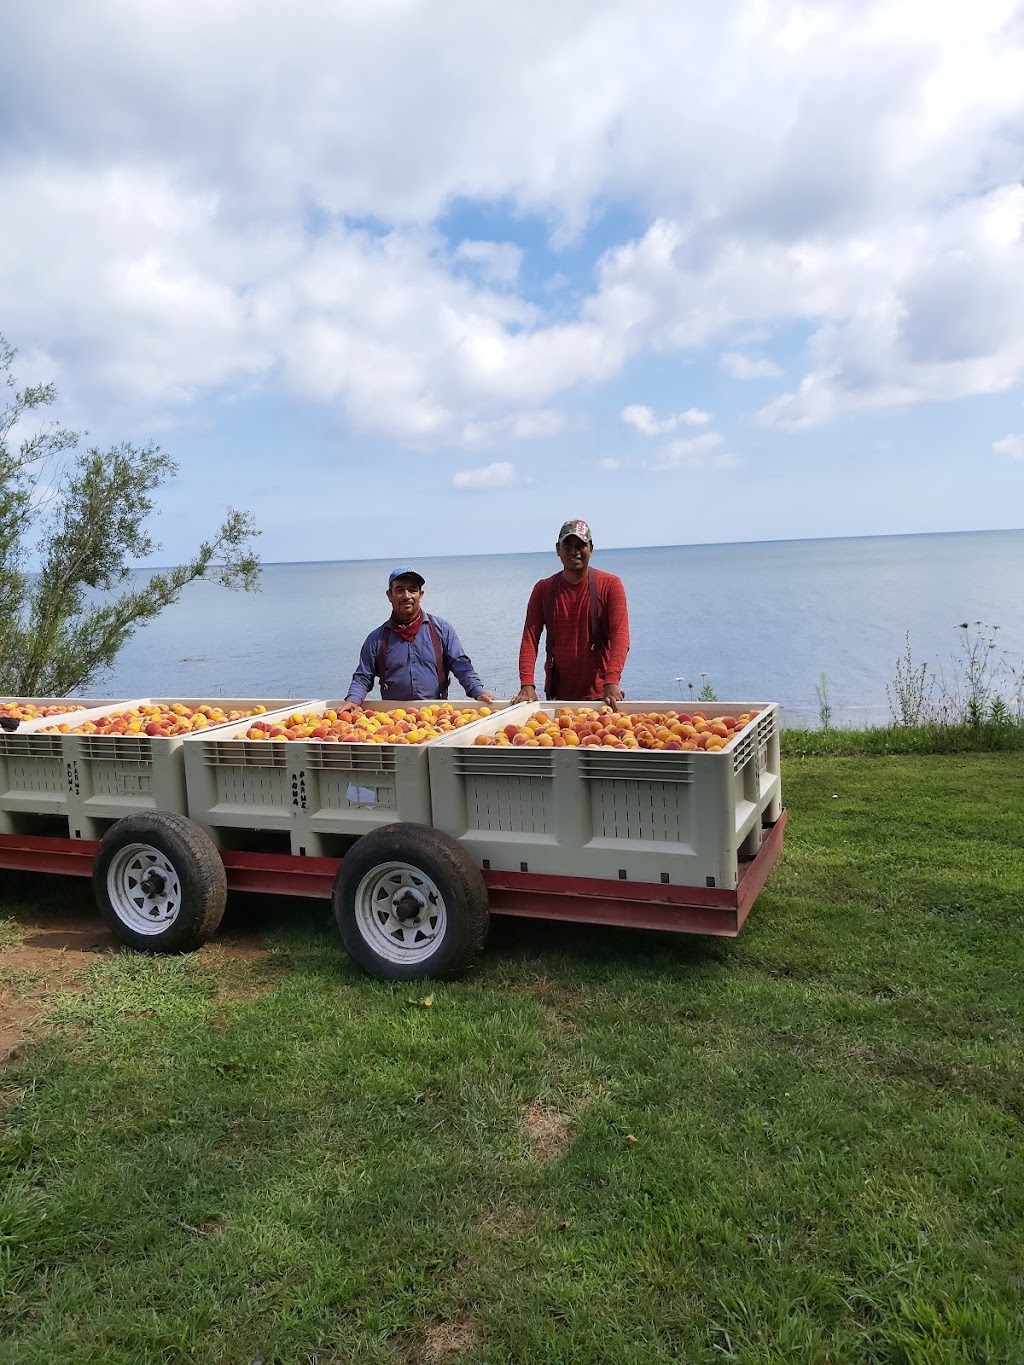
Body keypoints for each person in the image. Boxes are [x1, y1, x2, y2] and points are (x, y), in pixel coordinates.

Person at [512, 519, 630, 706]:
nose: (574, 551)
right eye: (568, 545)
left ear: (591, 548)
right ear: (558, 549)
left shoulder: (610, 585)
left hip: (601, 696)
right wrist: (527, 684)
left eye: (581, 545)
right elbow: (530, 637)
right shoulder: (543, 589)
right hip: (557, 695)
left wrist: (612, 680)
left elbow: (620, 636)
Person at [344, 567, 497, 705]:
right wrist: (353, 701)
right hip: (394, 720)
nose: (406, 596)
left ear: (420, 595)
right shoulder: (376, 639)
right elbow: (363, 677)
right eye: (399, 590)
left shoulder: (442, 629)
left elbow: (461, 666)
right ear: (389, 595)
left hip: (436, 717)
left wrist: (478, 692)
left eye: (412, 590)